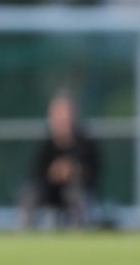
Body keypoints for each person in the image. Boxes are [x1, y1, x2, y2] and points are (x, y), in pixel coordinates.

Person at [18, 91, 99, 229]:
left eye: (65, 114)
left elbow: (94, 171)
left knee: (76, 195)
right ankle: (26, 231)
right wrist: (52, 173)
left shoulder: (85, 142)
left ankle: (79, 232)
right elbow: (34, 172)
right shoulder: (45, 143)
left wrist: (73, 171)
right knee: (30, 194)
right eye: (57, 114)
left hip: (74, 190)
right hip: (49, 190)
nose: (61, 119)